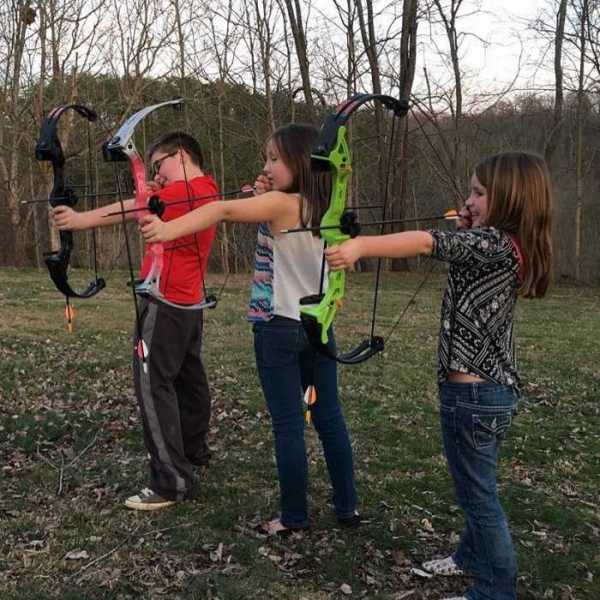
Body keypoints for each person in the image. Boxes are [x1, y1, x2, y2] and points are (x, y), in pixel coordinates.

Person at [325, 152, 553, 600]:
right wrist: (469, 226)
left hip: (473, 397)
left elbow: (428, 243)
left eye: (479, 193)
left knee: (478, 497)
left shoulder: (491, 246)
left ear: (510, 198)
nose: (468, 200)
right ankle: (469, 556)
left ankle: (496, 589)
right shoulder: (503, 245)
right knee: (475, 486)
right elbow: (458, 249)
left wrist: (360, 247)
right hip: (488, 392)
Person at [140, 123, 361, 534]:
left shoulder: (281, 204)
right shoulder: (329, 205)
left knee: (289, 425)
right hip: (320, 326)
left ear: (301, 162)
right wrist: (264, 195)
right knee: (329, 418)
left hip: (279, 329)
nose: (267, 165)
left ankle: (293, 517)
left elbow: (222, 210)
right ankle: (347, 508)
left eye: (275, 158)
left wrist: (167, 229)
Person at [51, 132, 218, 510]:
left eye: (158, 164)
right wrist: (154, 187)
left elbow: (133, 206)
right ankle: (192, 451)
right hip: (188, 305)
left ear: (181, 155)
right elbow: (147, 201)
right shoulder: (206, 189)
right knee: (189, 379)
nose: (155, 173)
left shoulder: (183, 193)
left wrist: (77, 220)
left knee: (152, 384)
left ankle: (171, 481)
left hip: (164, 302)